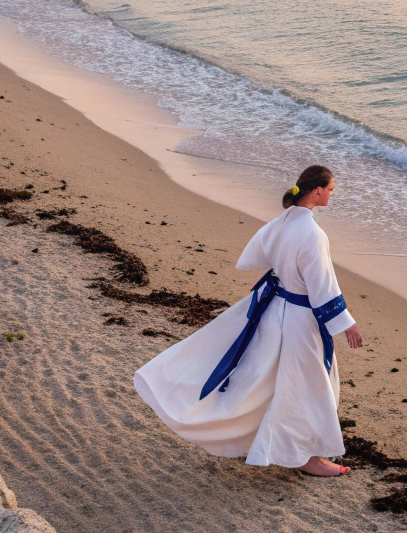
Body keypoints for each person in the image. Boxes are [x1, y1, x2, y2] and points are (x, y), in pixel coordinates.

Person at [134, 165, 362, 476]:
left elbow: (253, 256)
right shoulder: (312, 233)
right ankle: (309, 459)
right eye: (331, 188)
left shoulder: (282, 223)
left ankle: (290, 449)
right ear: (317, 190)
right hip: (299, 320)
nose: (333, 194)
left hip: (276, 311)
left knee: (276, 382)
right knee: (309, 385)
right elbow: (321, 284)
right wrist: (346, 322)